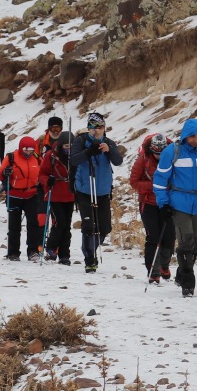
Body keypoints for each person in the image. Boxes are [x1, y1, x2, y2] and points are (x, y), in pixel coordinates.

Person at [153, 118, 197, 297]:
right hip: (179, 201)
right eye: (192, 136)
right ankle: (188, 282)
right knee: (186, 240)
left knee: (196, 242)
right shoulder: (172, 152)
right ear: (185, 136)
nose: (195, 139)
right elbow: (160, 179)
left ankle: (180, 273)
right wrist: (163, 203)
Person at [72, 111, 124, 272]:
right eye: (93, 127)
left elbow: (118, 161)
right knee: (89, 225)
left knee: (105, 227)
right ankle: (89, 259)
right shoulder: (80, 141)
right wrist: (88, 152)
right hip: (84, 189)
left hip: (102, 191)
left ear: (104, 128)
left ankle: (91, 247)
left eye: (100, 127)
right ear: (88, 128)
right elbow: (74, 160)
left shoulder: (108, 142)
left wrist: (109, 150)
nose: (96, 130)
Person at [131, 133, 175, 284]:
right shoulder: (142, 159)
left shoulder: (173, 158)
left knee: (169, 237)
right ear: (151, 150)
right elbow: (134, 182)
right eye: (156, 153)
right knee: (153, 237)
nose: (159, 156)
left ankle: (164, 265)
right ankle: (153, 271)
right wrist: (155, 186)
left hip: (168, 204)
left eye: (162, 153)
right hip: (148, 203)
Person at [0, 136, 47, 260]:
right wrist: (5, 173)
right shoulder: (11, 157)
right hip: (14, 195)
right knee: (14, 225)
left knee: (33, 224)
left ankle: (33, 251)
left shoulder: (37, 158)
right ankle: (13, 252)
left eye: (31, 149)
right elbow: (0, 174)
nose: (28, 151)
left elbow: (42, 173)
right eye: (26, 149)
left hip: (31, 195)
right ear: (21, 148)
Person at [40, 130, 76, 264]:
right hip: (55, 194)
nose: (68, 149)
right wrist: (47, 181)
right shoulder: (51, 156)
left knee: (67, 225)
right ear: (61, 145)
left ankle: (64, 254)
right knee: (59, 223)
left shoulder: (75, 157)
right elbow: (42, 174)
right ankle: (51, 247)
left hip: (70, 194)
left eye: (71, 146)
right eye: (66, 146)